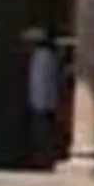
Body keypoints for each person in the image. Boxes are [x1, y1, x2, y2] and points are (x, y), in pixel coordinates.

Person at [23, 29, 62, 169]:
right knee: (43, 133)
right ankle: (43, 156)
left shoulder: (42, 57)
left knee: (41, 133)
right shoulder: (48, 56)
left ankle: (43, 158)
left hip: (41, 104)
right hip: (45, 103)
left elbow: (40, 82)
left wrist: (40, 103)